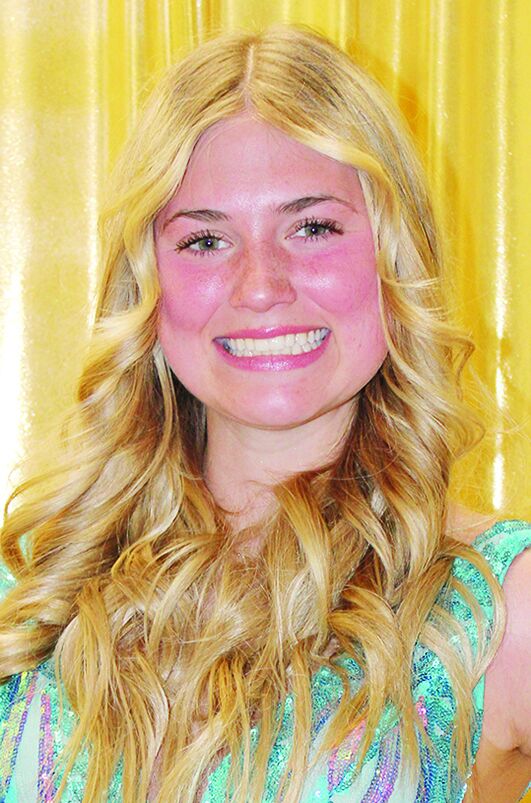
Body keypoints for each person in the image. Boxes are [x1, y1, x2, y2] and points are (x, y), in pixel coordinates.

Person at [0, 23, 529, 803]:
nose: (259, 285)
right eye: (204, 240)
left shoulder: (501, 606)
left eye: (312, 227)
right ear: (147, 283)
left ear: (395, 255)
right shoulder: (32, 592)